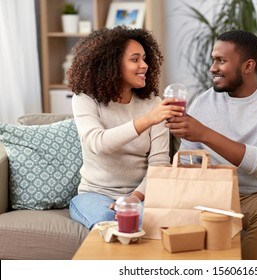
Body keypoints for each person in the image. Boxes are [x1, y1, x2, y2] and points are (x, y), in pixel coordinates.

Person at [166, 30, 257, 259]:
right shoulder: (204, 101)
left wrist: (205, 134)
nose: (212, 68)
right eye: (213, 60)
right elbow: (188, 158)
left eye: (221, 61)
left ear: (248, 66)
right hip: (211, 190)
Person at [66, 26, 185, 230]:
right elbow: (98, 143)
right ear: (111, 64)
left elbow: (159, 163)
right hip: (94, 195)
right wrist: (147, 120)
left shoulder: (153, 103)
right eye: (135, 59)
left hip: (140, 194)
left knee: (145, 221)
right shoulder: (85, 99)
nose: (144, 65)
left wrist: (135, 198)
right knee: (107, 221)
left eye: (145, 58)